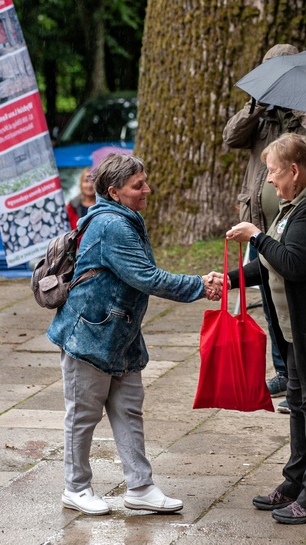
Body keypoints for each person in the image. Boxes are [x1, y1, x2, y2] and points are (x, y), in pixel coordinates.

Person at [47, 153, 223, 516]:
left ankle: (140, 487)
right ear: (114, 191)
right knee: (82, 416)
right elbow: (146, 276)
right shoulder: (112, 225)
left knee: (128, 412)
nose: (147, 189)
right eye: (137, 185)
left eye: (145, 181)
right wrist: (199, 285)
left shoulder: (127, 218)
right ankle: (75, 488)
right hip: (89, 337)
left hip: (120, 335)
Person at [225, 133, 306, 525]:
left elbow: (294, 263)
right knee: (299, 406)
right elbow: (270, 263)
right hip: (296, 332)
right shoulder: (295, 204)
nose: (268, 180)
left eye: (272, 172)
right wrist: (230, 278)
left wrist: (257, 236)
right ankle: (296, 481)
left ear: (295, 171)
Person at [223, 43, 306, 405]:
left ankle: (304, 365)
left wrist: (300, 105)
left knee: (298, 293)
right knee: (272, 295)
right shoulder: (261, 114)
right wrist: (256, 105)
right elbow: (231, 137)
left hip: (304, 219)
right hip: (261, 219)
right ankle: (284, 369)